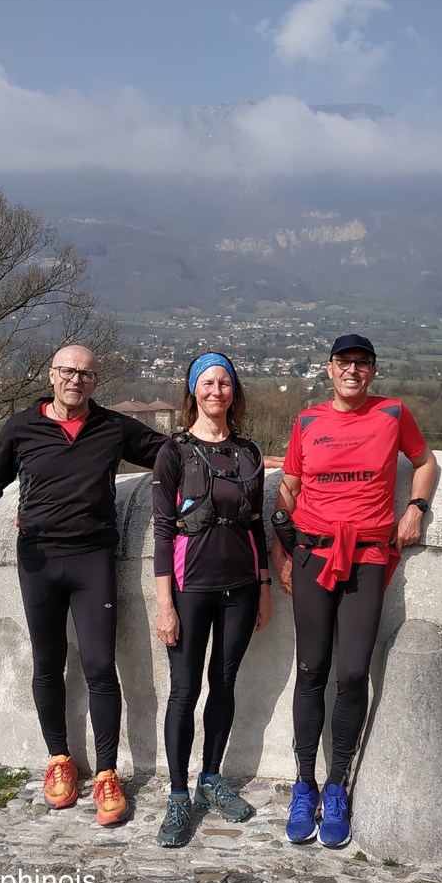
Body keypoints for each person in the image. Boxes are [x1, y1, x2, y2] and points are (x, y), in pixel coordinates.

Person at [0, 344, 166, 827]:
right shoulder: (22, 427)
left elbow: (169, 453)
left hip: (93, 559)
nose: (76, 379)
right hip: (38, 559)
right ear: (51, 376)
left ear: (96, 382)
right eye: (68, 371)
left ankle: (107, 773)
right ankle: (59, 760)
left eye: (86, 374)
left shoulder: (112, 427)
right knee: (48, 663)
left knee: (100, 665)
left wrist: (238, 455)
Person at [270, 333, 438, 848]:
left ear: (372, 371)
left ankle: (337, 785)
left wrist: (415, 509)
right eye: (344, 362)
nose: (353, 371)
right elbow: (288, 488)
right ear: (329, 369)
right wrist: (281, 554)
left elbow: (426, 463)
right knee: (311, 670)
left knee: (352, 672)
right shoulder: (307, 421)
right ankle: (304, 785)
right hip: (311, 555)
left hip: (366, 556)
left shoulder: (393, 414)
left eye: (362, 364)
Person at [150, 352, 272, 847]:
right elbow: (162, 531)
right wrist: (165, 604)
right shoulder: (174, 452)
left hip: (240, 586)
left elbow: (256, 525)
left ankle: (211, 777)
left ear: (234, 392)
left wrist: (264, 587)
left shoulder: (249, 452)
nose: (216, 390)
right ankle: (179, 795)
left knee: (224, 684)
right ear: (193, 391)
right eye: (207, 382)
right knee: (184, 690)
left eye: (224, 383)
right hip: (190, 587)